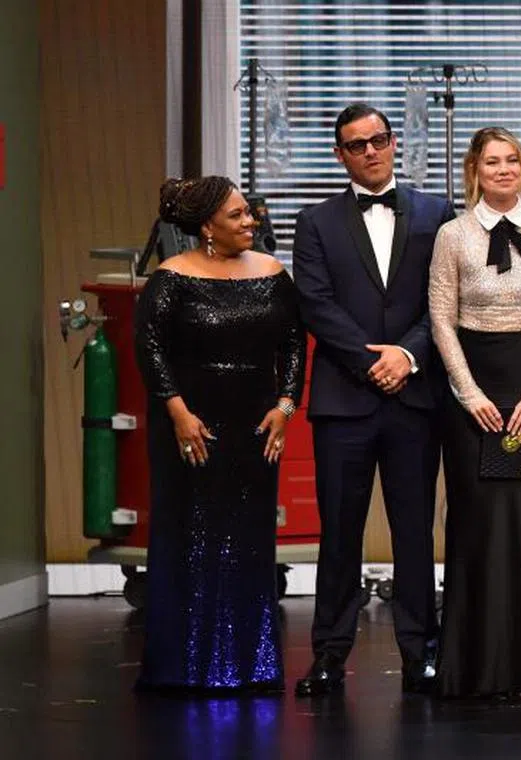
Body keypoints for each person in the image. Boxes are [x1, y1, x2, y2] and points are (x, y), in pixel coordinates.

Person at [291, 103, 455, 697]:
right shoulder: (314, 221)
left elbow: (445, 298)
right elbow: (314, 303)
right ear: (340, 155)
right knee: (339, 533)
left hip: (414, 396)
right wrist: (370, 362)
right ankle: (329, 655)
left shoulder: (437, 213)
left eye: (378, 140)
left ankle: (421, 655)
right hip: (344, 398)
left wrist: (406, 356)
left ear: (392, 144)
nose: (370, 151)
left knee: (415, 532)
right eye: (356, 145)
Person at [134, 175, 306, 692]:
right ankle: (182, 667)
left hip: (255, 429)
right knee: (190, 538)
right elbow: (151, 349)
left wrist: (285, 404)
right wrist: (178, 413)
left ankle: (251, 666)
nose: (251, 221)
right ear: (207, 226)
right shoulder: (171, 277)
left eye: (249, 212)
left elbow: (294, 344)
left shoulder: (274, 273)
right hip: (191, 429)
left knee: (249, 543)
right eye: (237, 216)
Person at [429, 127, 521, 698]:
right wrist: (470, 394)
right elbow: (441, 318)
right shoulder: (451, 234)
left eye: (513, 160)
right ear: (474, 171)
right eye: (493, 161)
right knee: (476, 525)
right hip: (471, 395)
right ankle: (470, 668)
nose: (504, 170)